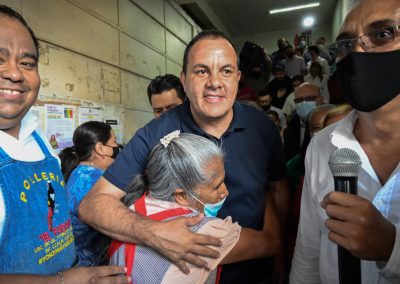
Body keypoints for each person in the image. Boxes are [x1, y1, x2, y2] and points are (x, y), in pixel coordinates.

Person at [79, 29, 289, 283]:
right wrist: (154, 233)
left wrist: (281, 254)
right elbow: (92, 205)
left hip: (255, 273)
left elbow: (277, 189)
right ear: (185, 79)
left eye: (226, 71)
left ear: (238, 77)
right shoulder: (154, 134)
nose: (214, 82)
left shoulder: (262, 127)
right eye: (201, 71)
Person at [0, 5, 128, 283]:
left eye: (27, 63)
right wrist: (59, 281)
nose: (15, 74)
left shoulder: (37, 136)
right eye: (0, 59)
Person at [290, 0, 400, 282]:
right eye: (347, 45)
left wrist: (391, 248)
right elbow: (308, 251)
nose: (358, 53)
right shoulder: (322, 145)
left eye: (383, 34)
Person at [109, 131, 281, 283]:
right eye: (216, 186)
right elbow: (271, 242)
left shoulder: (129, 210)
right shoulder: (202, 233)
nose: (225, 192)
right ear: (182, 196)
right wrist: (266, 191)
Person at [59, 121, 120, 266]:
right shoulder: (96, 180)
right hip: (85, 266)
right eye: (114, 142)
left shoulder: (79, 172)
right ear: (100, 148)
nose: (117, 147)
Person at [283, 82, 323, 161]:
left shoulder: (331, 124)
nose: (304, 103)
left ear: (321, 100)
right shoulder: (289, 129)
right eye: (299, 100)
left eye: (309, 98)